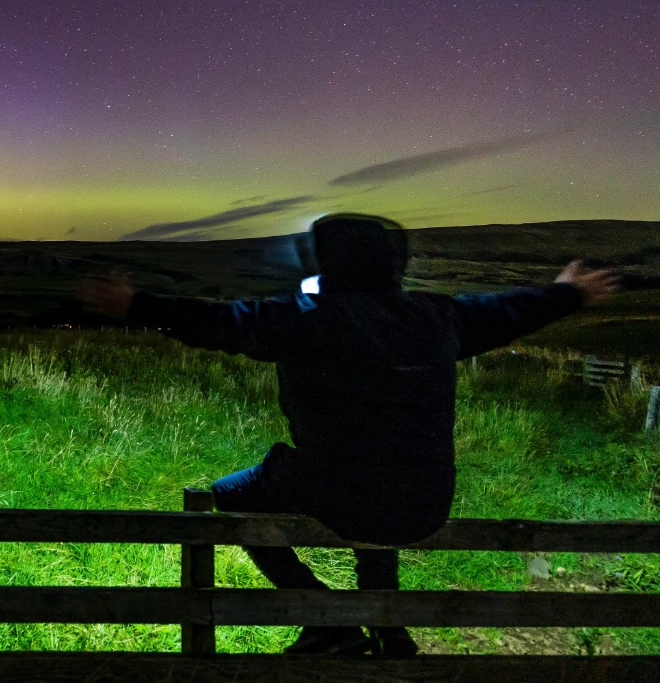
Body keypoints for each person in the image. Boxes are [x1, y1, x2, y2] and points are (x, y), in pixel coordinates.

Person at [78, 213, 621, 657]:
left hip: (344, 492)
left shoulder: (306, 317)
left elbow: (223, 321)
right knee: (376, 492)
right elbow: (507, 311)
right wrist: (567, 294)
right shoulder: (436, 316)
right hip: (425, 500)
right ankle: (388, 628)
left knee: (233, 494)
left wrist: (137, 305)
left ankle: (325, 619)